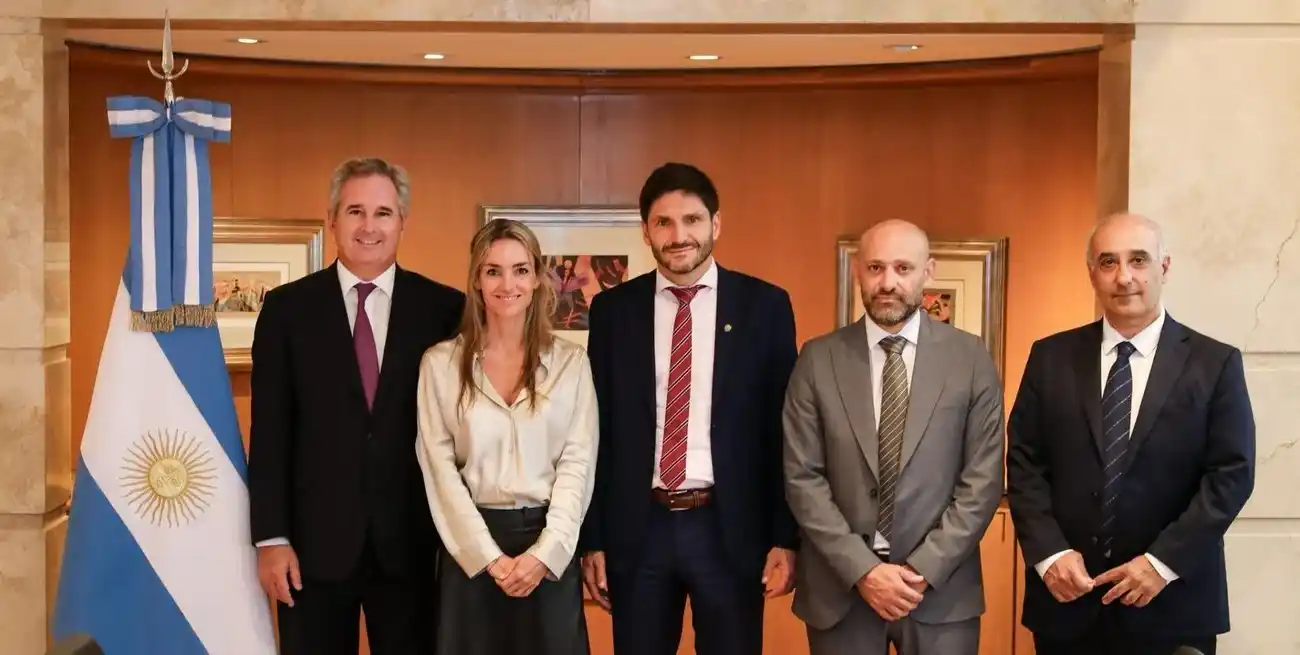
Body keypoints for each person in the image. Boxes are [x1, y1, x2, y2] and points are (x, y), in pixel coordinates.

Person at [1006, 212, 1256, 655]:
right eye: (1108, 262)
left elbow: (1230, 477)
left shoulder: (1214, 363)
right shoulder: (1050, 357)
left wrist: (1161, 564)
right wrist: (1049, 554)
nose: (1124, 277)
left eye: (1138, 260)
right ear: (1091, 273)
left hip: (1172, 606)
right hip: (1067, 604)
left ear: (1164, 267)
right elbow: (1024, 464)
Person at [578, 162, 799, 655]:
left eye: (693, 220)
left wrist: (786, 537)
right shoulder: (613, 313)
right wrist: (592, 540)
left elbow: (783, 432)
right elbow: (597, 432)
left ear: (715, 224)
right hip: (639, 530)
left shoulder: (764, 306)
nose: (680, 235)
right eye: (664, 222)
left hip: (729, 529)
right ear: (646, 232)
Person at [247, 157, 465, 654]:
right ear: (332, 219)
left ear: (403, 222)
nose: (369, 226)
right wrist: (271, 539)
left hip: (414, 547)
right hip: (311, 550)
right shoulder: (286, 310)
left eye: (384, 213)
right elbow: (271, 434)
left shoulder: (445, 310)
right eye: (355, 211)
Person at [781, 219, 1005, 655]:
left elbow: (983, 480)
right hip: (840, 591)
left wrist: (921, 570)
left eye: (903, 268)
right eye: (876, 268)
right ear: (857, 272)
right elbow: (802, 477)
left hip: (940, 594)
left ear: (929, 271)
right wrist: (864, 571)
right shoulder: (817, 358)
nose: (888, 282)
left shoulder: (971, 357)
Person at [415, 218, 598, 655]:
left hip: (549, 547)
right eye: (492, 270)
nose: (506, 283)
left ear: (537, 277)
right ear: (477, 280)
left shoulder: (571, 364)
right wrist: (489, 559)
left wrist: (544, 555)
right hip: (471, 553)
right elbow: (439, 472)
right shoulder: (440, 365)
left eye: (519, 269)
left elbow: (578, 466)